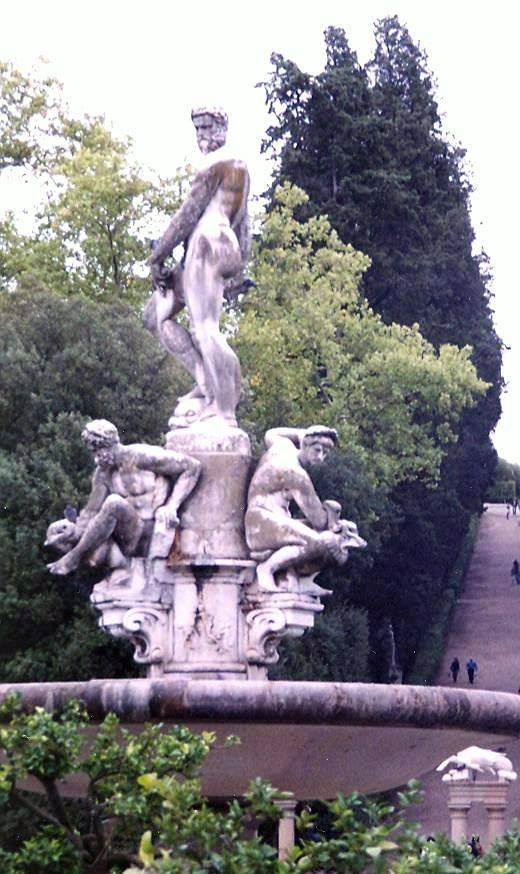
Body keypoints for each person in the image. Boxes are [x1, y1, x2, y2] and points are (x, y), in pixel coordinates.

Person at [144, 106, 251, 425]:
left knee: (205, 329)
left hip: (207, 244)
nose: (202, 135)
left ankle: (225, 409)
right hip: (212, 248)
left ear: (222, 128)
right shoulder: (239, 168)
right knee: (155, 317)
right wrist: (240, 265)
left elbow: (186, 216)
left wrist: (156, 256)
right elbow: (245, 225)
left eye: (207, 127)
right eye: (198, 129)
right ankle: (206, 381)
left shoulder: (216, 165)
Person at [46, 420, 201, 577]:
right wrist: (70, 532)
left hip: (155, 531)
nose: (95, 458)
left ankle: (73, 559)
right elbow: (90, 513)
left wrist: (172, 506)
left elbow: (192, 467)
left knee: (114, 503)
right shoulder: (103, 474)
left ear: (107, 445)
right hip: (130, 540)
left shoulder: (140, 456)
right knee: (110, 507)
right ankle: (75, 556)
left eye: (95, 451)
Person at [245, 426, 364, 589]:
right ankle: (267, 569)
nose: (320, 457)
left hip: (267, 520)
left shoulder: (283, 447)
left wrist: (302, 433)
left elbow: (271, 434)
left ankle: (295, 577)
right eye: (317, 450)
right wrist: (335, 515)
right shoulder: (296, 474)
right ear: (305, 445)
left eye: (325, 453)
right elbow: (320, 521)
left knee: (323, 538)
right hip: (260, 525)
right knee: (326, 543)